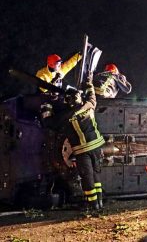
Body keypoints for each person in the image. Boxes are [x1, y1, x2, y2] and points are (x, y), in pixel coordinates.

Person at [42, 71, 105, 211]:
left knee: (87, 178)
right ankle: (99, 203)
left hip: (83, 150)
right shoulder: (89, 105)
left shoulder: (67, 116)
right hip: (97, 147)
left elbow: (48, 122)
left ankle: (92, 205)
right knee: (96, 175)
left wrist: (46, 105)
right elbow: (91, 94)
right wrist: (88, 82)